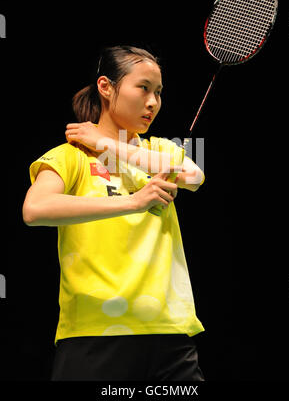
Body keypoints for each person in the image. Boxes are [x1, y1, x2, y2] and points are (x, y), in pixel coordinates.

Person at [22, 45, 206, 381]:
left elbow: (194, 176)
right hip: (96, 332)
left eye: (159, 93)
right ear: (106, 87)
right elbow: (35, 209)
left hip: (167, 331)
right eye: (143, 88)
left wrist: (107, 144)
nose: (153, 102)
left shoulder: (160, 150)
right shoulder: (71, 156)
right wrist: (133, 203)